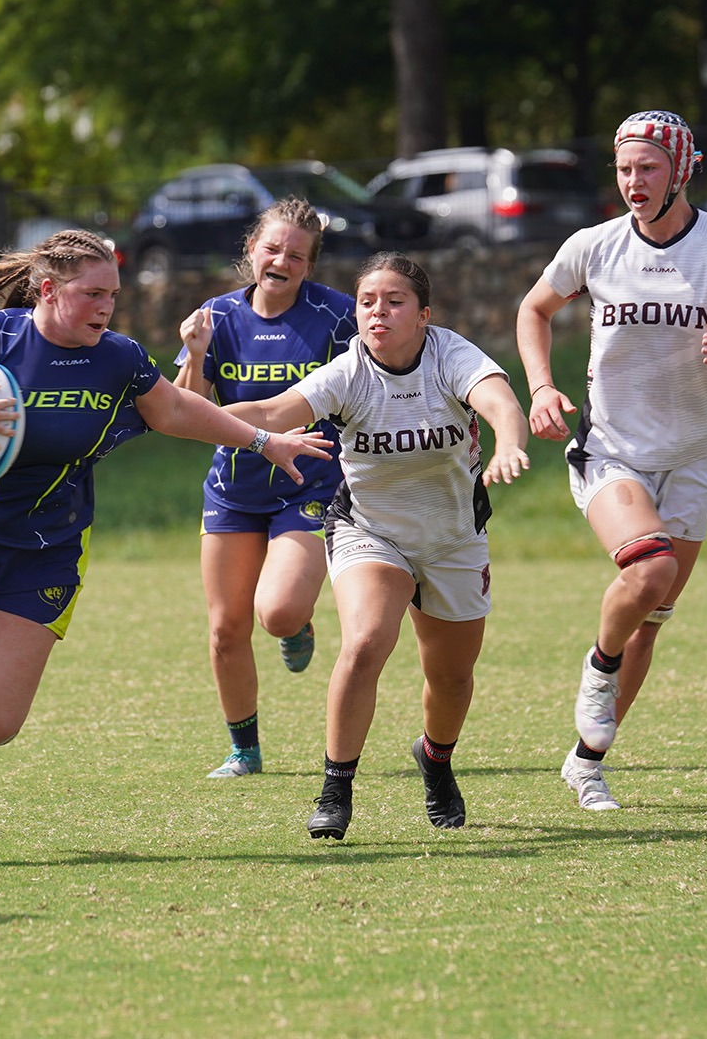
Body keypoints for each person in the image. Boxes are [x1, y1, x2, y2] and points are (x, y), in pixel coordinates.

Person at [0, 229, 331, 869]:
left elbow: (176, 411)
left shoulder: (117, 358)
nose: (106, 307)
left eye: (113, 296)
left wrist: (264, 443)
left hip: (46, 546)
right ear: (48, 290)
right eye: (92, 293)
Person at [516, 110, 707, 812]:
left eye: (646, 168)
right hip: (611, 451)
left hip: (693, 457)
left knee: (653, 613)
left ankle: (586, 764)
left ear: (681, 170)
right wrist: (543, 388)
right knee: (651, 568)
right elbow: (533, 310)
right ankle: (597, 667)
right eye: (624, 168)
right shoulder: (594, 246)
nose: (633, 182)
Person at [220, 252, 530, 839]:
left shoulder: (450, 354)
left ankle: (435, 760)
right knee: (365, 643)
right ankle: (336, 788)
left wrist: (510, 443)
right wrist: (182, 415)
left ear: (423, 314)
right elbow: (270, 410)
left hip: (453, 538)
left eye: (394, 301)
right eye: (366, 302)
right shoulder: (348, 372)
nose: (378, 312)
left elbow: (499, 404)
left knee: (452, 678)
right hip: (369, 529)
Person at [172, 196, 358, 779]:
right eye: (272, 248)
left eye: (296, 256)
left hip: (310, 484)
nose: (282, 260)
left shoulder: (337, 316)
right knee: (227, 629)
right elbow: (187, 412)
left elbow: (367, 386)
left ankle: (298, 622)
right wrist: (196, 355)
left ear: (310, 265)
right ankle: (244, 751)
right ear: (252, 250)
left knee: (275, 613)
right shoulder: (217, 317)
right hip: (233, 489)